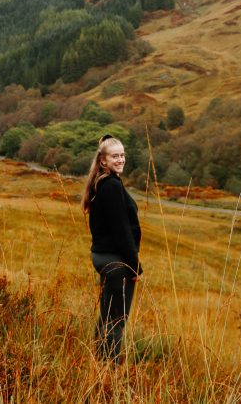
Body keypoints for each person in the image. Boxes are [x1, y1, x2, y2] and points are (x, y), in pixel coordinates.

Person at [81, 134, 142, 363]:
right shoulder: (112, 186)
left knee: (107, 315)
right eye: (115, 156)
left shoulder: (102, 182)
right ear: (103, 161)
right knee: (117, 319)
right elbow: (122, 231)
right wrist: (135, 267)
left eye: (123, 155)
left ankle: (97, 359)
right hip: (115, 261)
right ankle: (109, 371)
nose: (121, 160)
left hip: (102, 256)